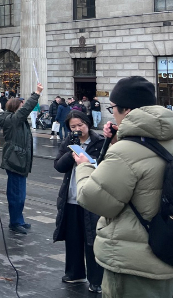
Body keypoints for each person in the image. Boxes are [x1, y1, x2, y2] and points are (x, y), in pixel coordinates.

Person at [75, 76, 173, 297]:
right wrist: (115, 141)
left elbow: (94, 198)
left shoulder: (126, 151)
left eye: (112, 107)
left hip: (135, 265)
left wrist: (84, 167)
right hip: (172, 255)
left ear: (126, 110)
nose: (112, 112)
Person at [52, 110, 104, 294]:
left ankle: (96, 279)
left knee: (92, 239)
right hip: (72, 198)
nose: (77, 129)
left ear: (87, 124)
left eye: (80, 125)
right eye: (73, 127)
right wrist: (71, 150)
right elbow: (58, 166)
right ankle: (74, 273)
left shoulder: (100, 142)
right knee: (73, 238)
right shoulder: (68, 142)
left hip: (92, 198)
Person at [0, 83, 43, 235]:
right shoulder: (12, 120)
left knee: (20, 195)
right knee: (16, 194)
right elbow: (25, 110)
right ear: (16, 107)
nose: (24, 109)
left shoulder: (19, 121)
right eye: (21, 106)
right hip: (15, 160)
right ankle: (15, 222)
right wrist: (36, 93)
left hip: (20, 160)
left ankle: (19, 220)